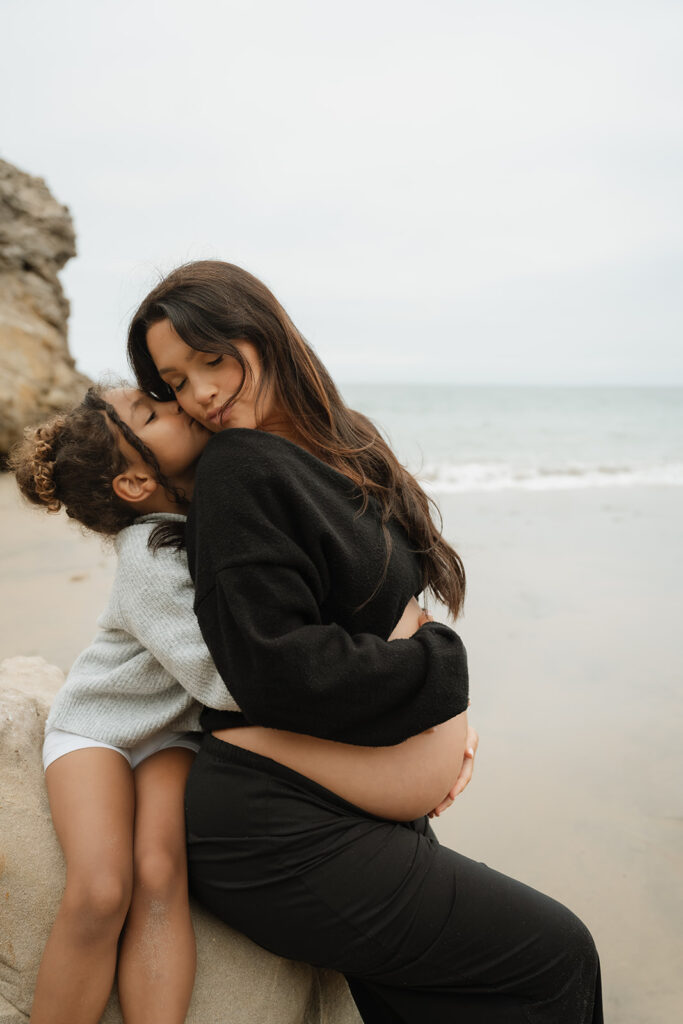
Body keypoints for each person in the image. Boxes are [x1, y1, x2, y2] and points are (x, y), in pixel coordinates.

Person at [128, 259, 604, 1024]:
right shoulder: (237, 469)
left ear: (264, 332)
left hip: (348, 803)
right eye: (175, 382)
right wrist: (440, 674)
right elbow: (273, 666)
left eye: (210, 360)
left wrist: (436, 736)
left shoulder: (346, 448)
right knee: (553, 953)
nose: (202, 393)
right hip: (275, 830)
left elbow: (381, 611)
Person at [10, 383, 475, 1024]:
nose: (176, 403)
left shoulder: (214, 515)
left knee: (159, 877)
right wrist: (366, 705)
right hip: (100, 732)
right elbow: (226, 679)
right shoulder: (147, 554)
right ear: (134, 484)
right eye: (151, 412)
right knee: (101, 889)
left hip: (174, 737)